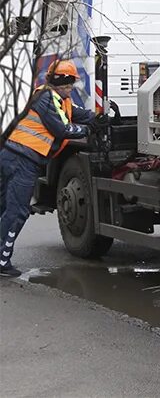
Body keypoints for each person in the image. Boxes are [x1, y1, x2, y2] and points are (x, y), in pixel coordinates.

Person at [2, 60, 98, 277]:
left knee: (5, 208)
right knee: (16, 211)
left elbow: (77, 113)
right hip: (22, 158)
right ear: (61, 82)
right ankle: (2, 261)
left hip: (14, 155)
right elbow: (61, 128)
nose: (72, 87)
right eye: (70, 83)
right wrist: (88, 131)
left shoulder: (57, 99)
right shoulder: (44, 98)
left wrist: (100, 118)